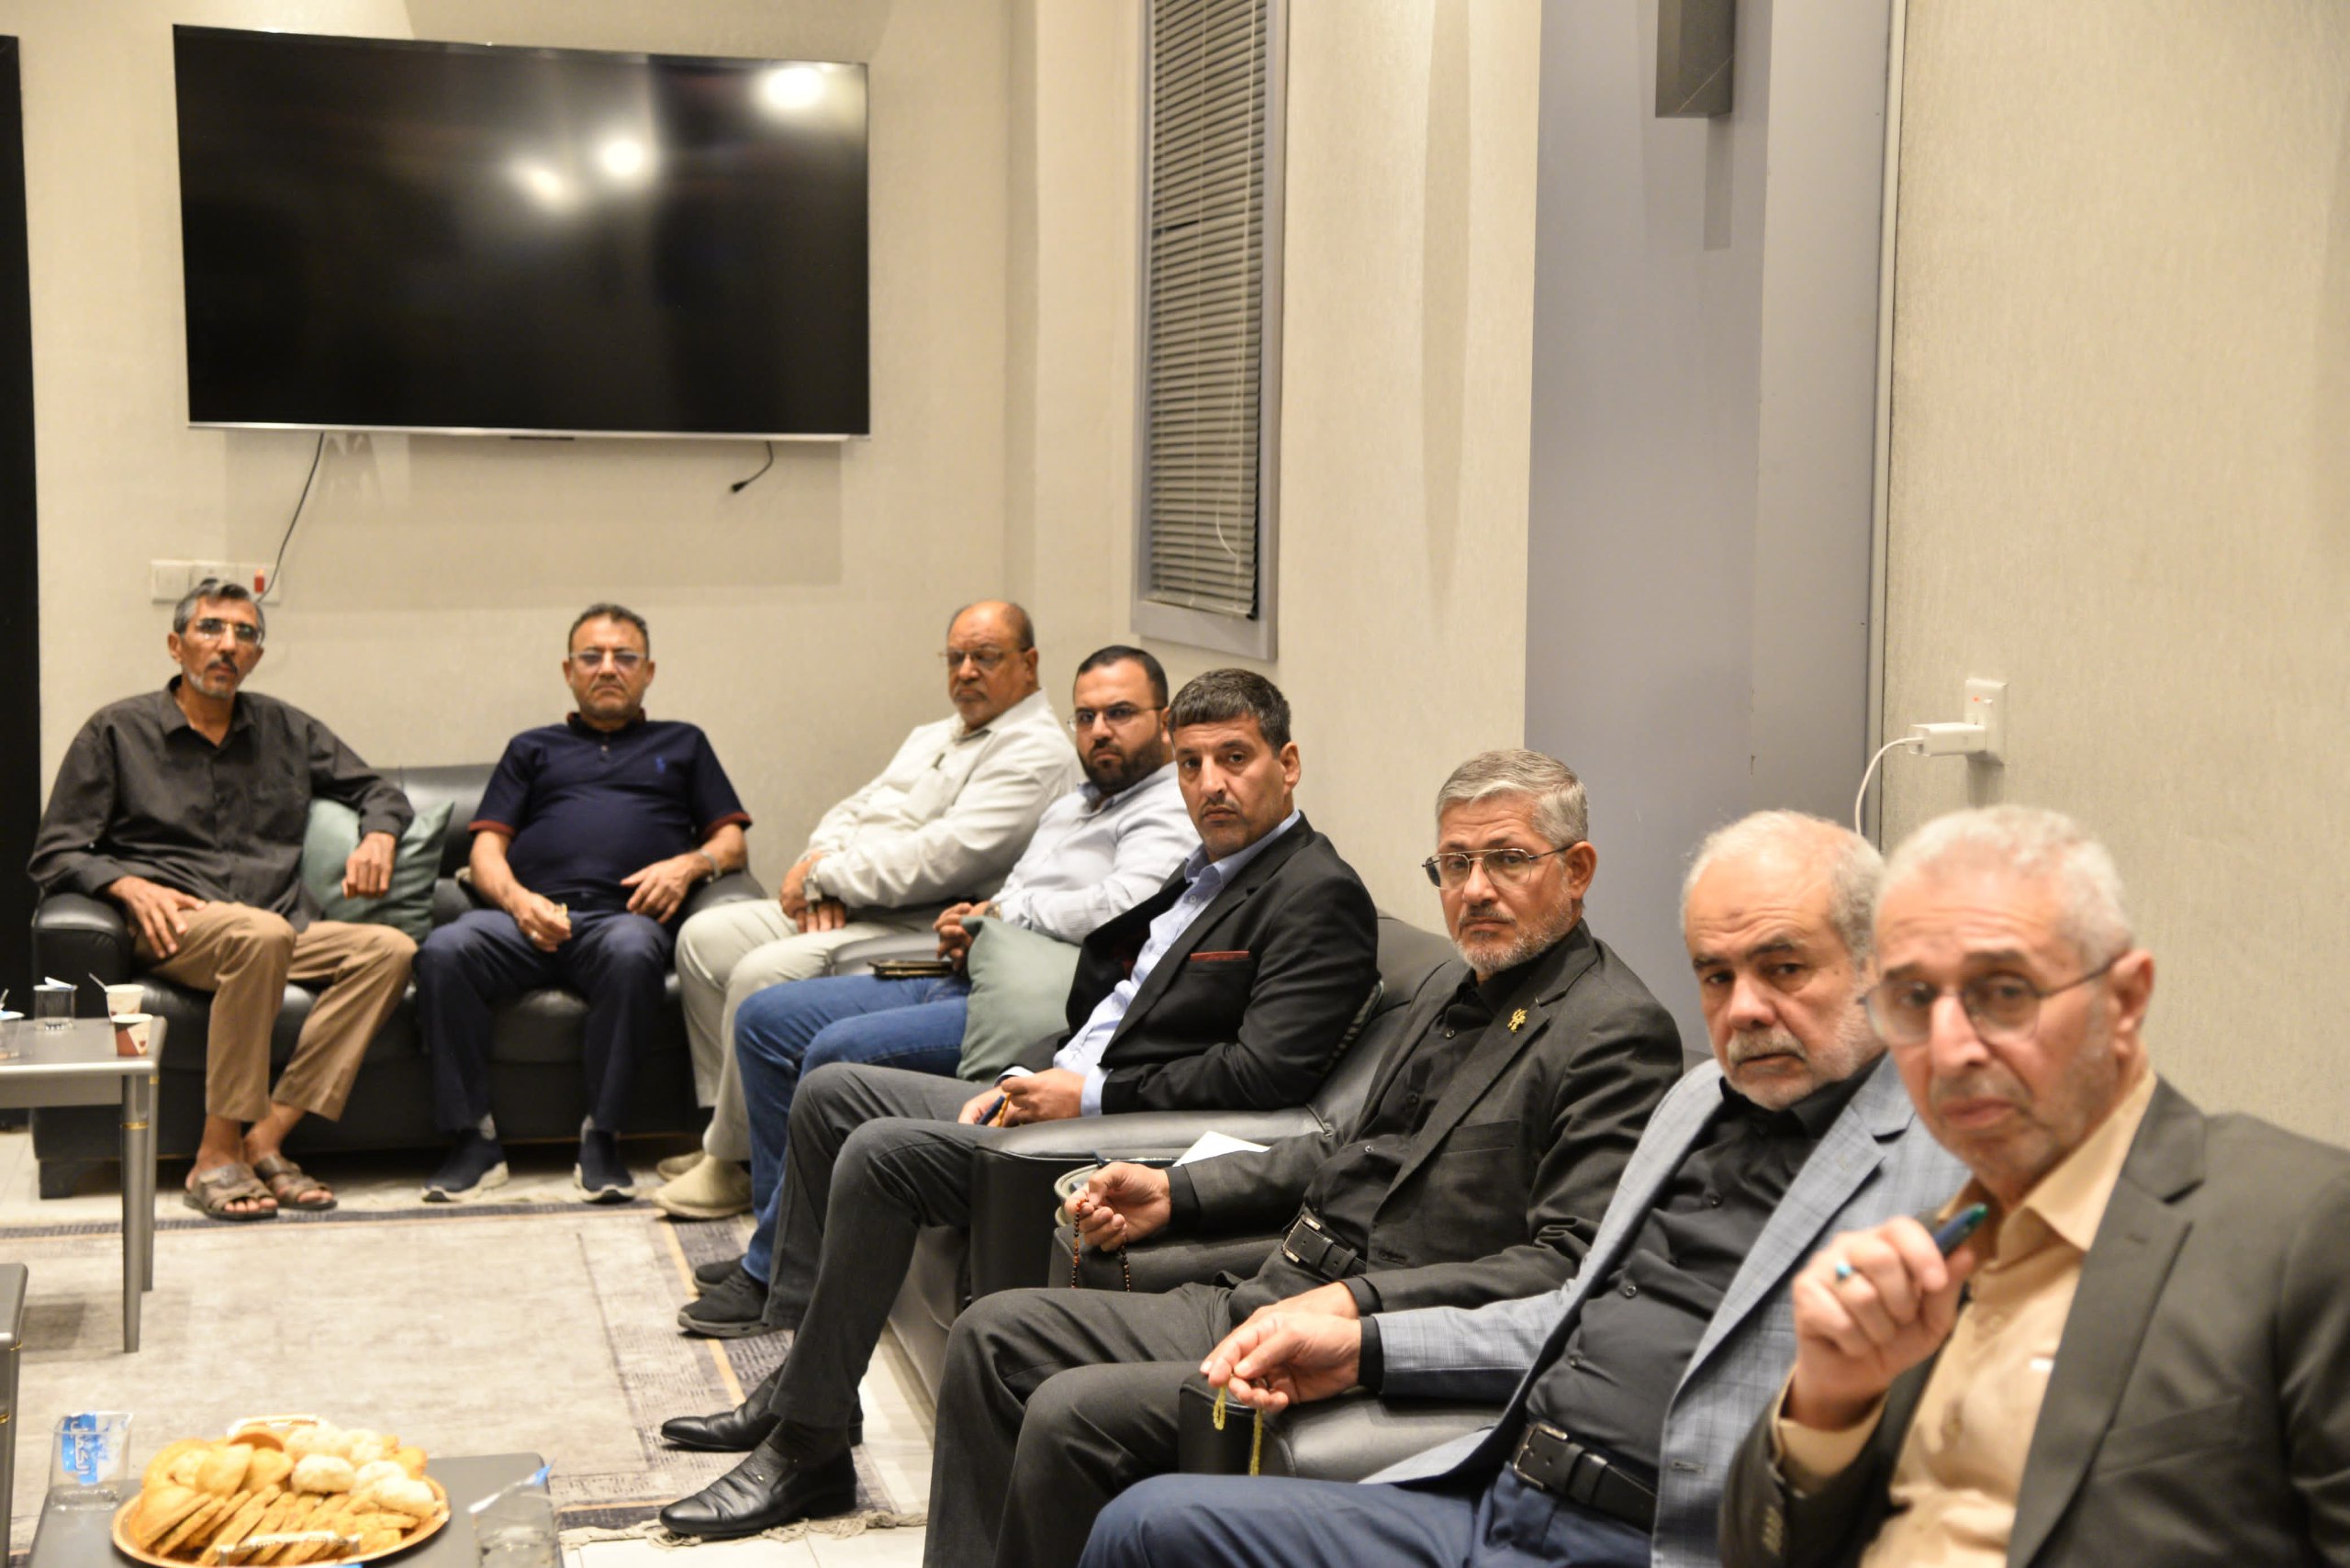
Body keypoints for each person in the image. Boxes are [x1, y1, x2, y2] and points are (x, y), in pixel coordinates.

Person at [1077, 810, 1965, 1568]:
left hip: (1649, 1537)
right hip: (1498, 1496)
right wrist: (1364, 1348)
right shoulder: (1699, 1100)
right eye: (1716, 975)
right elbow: (1568, 1310)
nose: (1745, 1010)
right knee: (1146, 1527)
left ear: (1878, 965)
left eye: (1784, 969)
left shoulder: (1942, 1163)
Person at [654, 669, 1381, 1537]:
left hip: (1132, 1140)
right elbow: (1116, 1011)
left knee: (881, 1152)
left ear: (1287, 763)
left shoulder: (1316, 892)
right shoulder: (1207, 875)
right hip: (1063, 1093)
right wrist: (1023, 1079)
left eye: (1234, 759)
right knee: (832, 1092)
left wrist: (1088, 1094)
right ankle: (803, 1389)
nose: (1210, 784)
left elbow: (1264, 1078)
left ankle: (806, 1453)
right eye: (1191, 764)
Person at [923, 748, 1688, 1568]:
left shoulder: (1613, 1030)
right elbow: (1338, 1147)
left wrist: (1357, 1304)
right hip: (1270, 1287)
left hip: (1361, 1332)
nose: (1474, 890)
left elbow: (1566, 1267)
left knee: (1068, 1412)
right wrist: (1176, 1191)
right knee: (991, 1333)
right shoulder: (1450, 985)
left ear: (1577, 870)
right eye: (1454, 864)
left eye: (1507, 860)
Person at [1718, 805, 2350, 1568]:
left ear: (2125, 1000)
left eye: (2005, 992)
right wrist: (1829, 1404)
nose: (1950, 1048)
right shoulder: (1915, 1265)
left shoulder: (2304, 1229)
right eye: (1913, 1000)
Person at [681, 644, 1197, 1333]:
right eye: (1086, 717)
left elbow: (1123, 905)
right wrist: (975, 920)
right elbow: (1015, 889)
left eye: (1121, 714)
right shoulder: (1077, 801)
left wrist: (1003, 914)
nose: (1100, 731)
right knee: (766, 1017)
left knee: (834, 1052)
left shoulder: (1168, 806)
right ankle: (780, 1245)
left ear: (1164, 721)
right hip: (967, 965)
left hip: (1023, 999)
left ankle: (778, 1272)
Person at [655, 599, 1080, 1219]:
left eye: (985, 657)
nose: (966, 671)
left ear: (1029, 663)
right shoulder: (935, 733)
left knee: (759, 975)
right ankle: (735, 1144)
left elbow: (939, 859)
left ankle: (737, 1166)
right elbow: (853, 808)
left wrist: (824, 877)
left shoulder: (1036, 752)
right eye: (956, 657)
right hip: (847, 893)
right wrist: (818, 865)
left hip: (919, 918)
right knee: (703, 940)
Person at [29, 577, 417, 1221]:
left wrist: (379, 834)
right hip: (179, 926)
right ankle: (214, 1154)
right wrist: (125, 885)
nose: (228, 645)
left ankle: (266, 1138)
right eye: (210, 628)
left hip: (279, 924)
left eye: (245, 634)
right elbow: (55, 851)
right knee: (259, 935)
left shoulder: (287, 728)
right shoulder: (116, 732)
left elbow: (379, 790)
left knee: (390, 949)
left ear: (256, 656)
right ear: (176, 645)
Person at [414, 603, 751, 1204]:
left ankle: (603, 1137)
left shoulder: (684, 743)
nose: (608, 668)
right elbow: (486, 850)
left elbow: (730, 841)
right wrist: (520, 904)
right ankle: (473, 1141)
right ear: (569, 671)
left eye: (625, 656)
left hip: (623, 919)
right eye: (592, 657)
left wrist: (689, 864)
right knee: (444, 950)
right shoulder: (531, 748)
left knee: (632, 952)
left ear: (649, 672)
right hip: (524, 919)